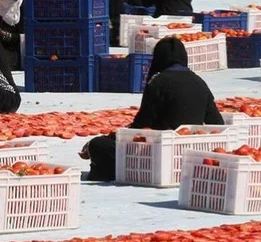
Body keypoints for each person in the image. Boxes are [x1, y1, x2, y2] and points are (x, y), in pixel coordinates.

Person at [80, 37, 224, 181]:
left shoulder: (158, 82)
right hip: (189, 154)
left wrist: (112, 137)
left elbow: (142, 124)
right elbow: (217, 123)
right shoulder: (199, 82)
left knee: (98, 145)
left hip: (158, 153)